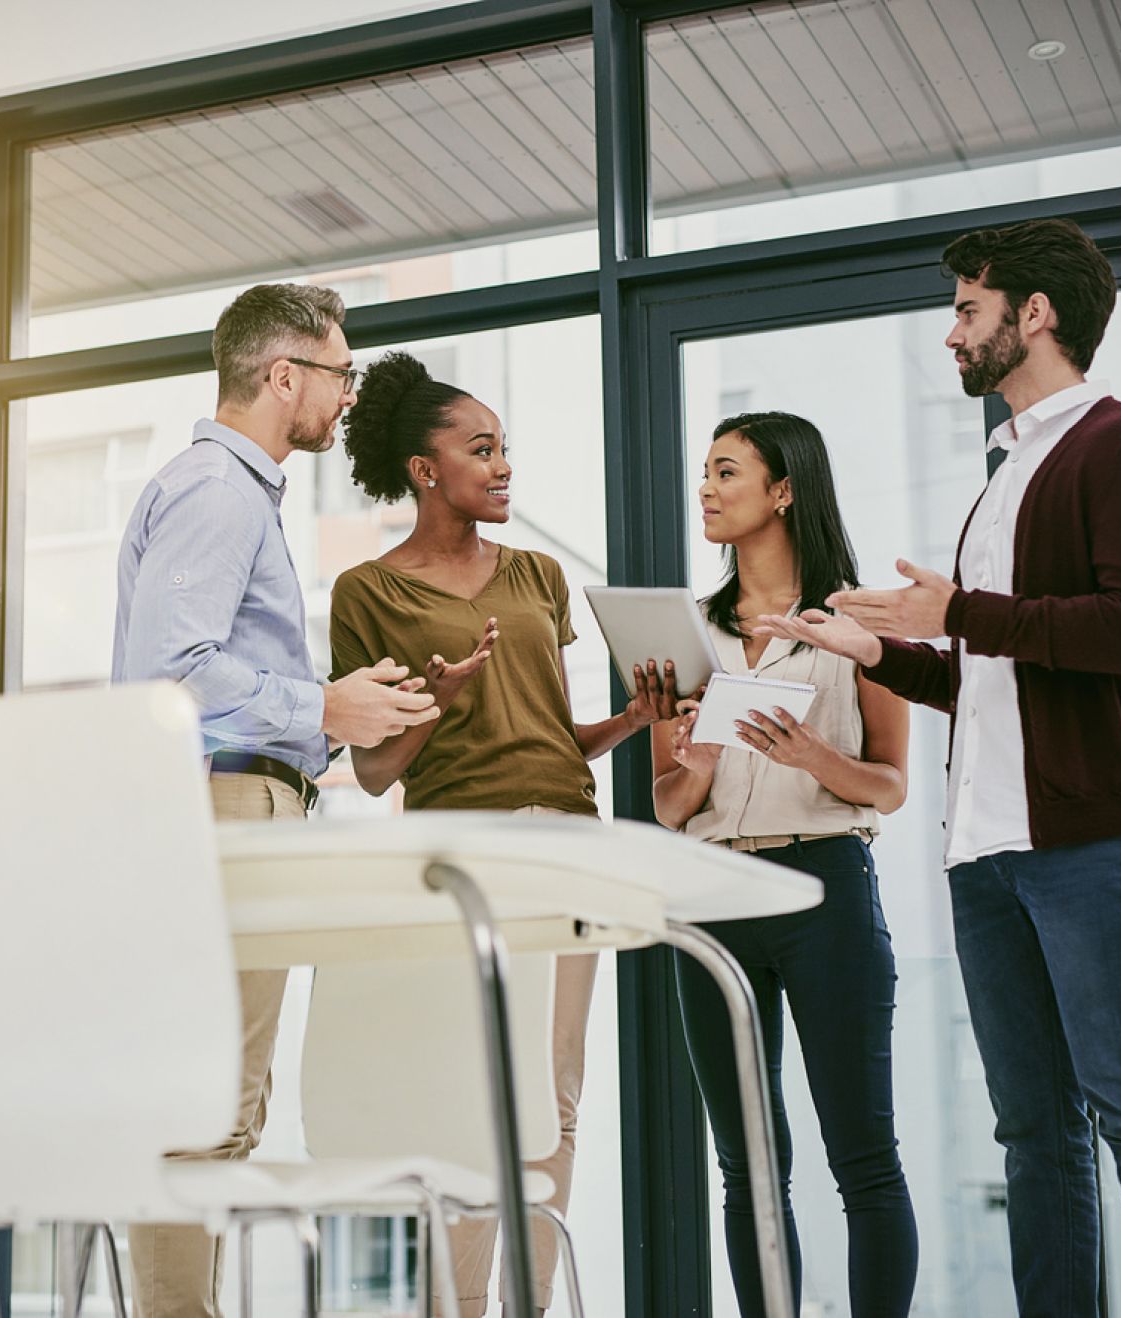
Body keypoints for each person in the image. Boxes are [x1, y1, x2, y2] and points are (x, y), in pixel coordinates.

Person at [756, 217, 1121, 1316]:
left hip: (1093, 841)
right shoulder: (1005, 472)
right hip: (988, 851)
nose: (951, 334)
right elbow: (992, 674)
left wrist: (960, 613)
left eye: (966, 308)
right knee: (1035, 1134)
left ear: (1031, 315)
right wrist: (882, 652)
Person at [112, 284, 439, 1318]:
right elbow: (174, 672)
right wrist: (324, 705)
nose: (347, 396)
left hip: (232, 802)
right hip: (224, 805)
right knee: (206, 1105)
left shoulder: (230, 491)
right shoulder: (219, 489)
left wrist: (335, 714)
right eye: (339, 373)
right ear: (282, 373)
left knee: (216, 1102)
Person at [328, 350, 675, 1318]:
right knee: (467, 1094)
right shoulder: (369, 590)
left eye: (505, 448)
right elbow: (371, 770)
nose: (503, 466)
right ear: (425, 468)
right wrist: (431, 705)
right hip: (457, 854)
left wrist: (634, 721)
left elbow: (554, 738)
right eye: (481, 449)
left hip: (567, 838)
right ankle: (458, 1306)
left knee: (550, 1097)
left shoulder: (538, 574)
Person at [651, 411, 917, 1318]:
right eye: (705, 472)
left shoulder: (853, 624)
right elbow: (666, 805)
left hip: (824, 894)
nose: (707, 489)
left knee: (863, 1159)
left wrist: (813, 758)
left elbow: (889, 784)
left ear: (784, 490)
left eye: (727, 472)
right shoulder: (690, 634)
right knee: (747, 1164)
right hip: (713, 897)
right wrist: (695, 765)